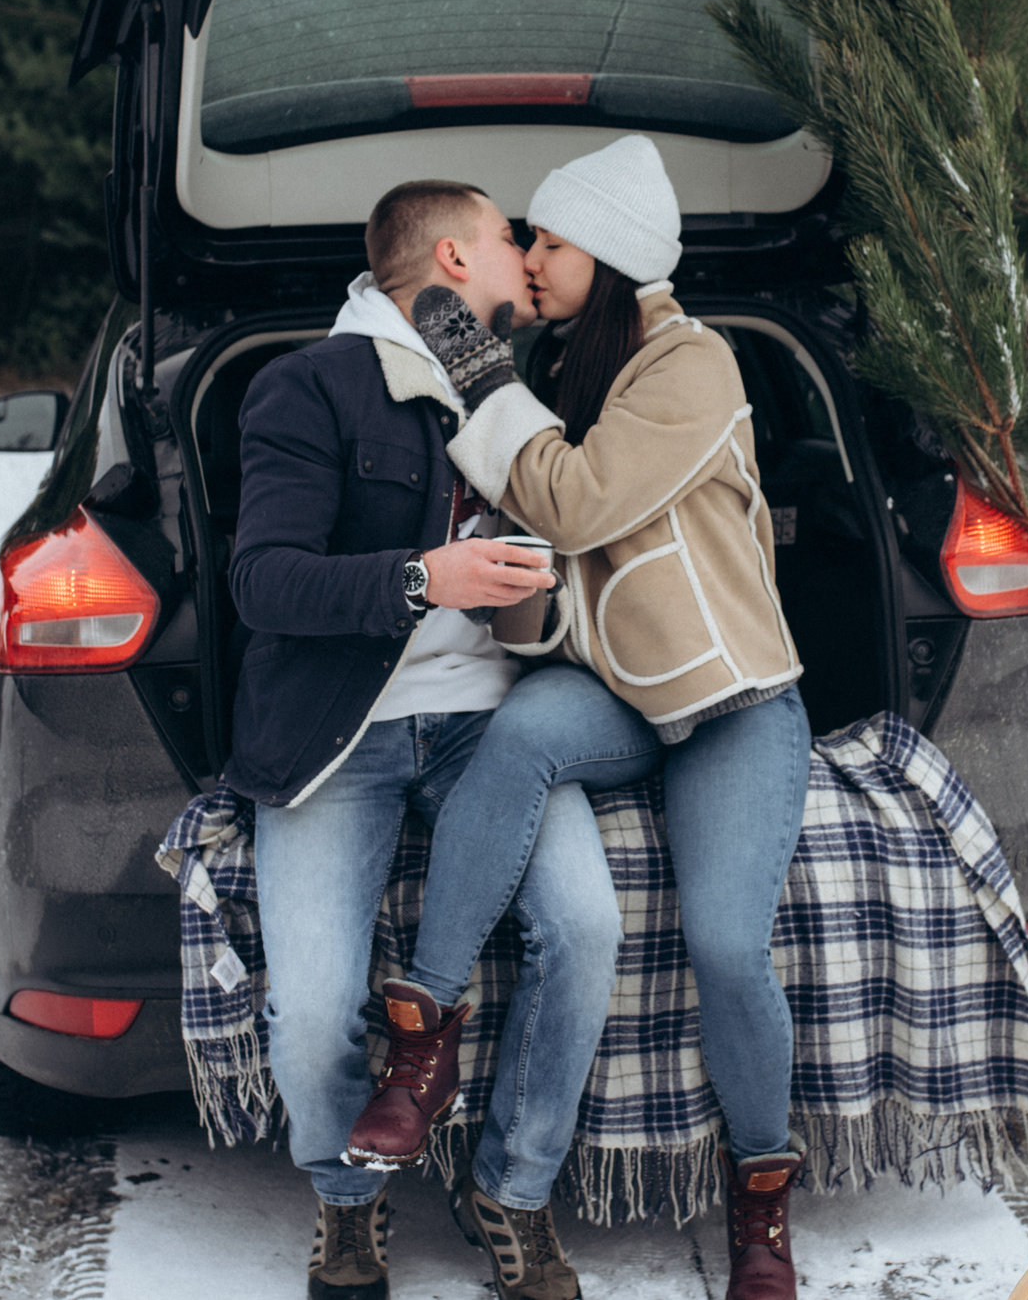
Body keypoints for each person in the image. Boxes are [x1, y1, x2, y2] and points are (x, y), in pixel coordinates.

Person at [344, 134, 817, 1300]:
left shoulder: (689, 363)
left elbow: (576, 495)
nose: (531, 257)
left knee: (723, 944)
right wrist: (512, 599)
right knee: (520, 732)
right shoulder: (563, 374)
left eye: (546, 238)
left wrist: (475, 372)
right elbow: (548, 573)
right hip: (618, 692)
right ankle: (424, 1037)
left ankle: (759, 1204)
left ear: (605, 251)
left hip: (729, 701)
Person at [226, 178, 613, 1300]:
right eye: (508, 238)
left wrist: (527, 604)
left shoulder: (514, 396)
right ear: (451, 256)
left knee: (584, 926)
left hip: (492, 725)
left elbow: (535, 589)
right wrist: (420, 576)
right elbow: (264, 578)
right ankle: (347, 1204)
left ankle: (512, 1187)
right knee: (308, 1012)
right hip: (337, 739)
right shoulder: (306, 384)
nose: (526, 256)